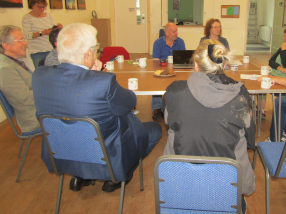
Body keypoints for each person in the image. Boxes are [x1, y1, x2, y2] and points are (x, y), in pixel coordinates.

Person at [32, 23, 162, 193]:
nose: (97, 54)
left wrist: (90, 72)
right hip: (106, 155)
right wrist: (97, 74)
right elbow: (130, 102)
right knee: (154, 129)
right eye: (96, 50)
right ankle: (117, 176)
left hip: (62, 152)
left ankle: (82, 175)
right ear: (88, 55)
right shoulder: (103, 81)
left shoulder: (39, 76)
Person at [162, 39, 256, 212]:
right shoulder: (241, 94)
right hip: (228, 186)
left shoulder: (175, 91)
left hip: (181, 183)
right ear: (224, 65)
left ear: (196, 65)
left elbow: (168, 121)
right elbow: (250, 139)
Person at [0, 25, 40, 135]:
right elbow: (25, 98)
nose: (25, 43)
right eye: (21, 40)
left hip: (38, 108)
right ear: (6, 46)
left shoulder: (12, 61)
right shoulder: (5, 69)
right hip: (33, 117)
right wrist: (48, 92)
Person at [152, 22, 185, 120]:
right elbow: (155, 61)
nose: (176, 33)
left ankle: (176, 106)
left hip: (176, 70)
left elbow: (183, 59)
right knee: (156, 83)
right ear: (166, 33)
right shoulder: (157, 43)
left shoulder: (180, 42)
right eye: (174, 31)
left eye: (177, 31)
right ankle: (157, 108)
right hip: (161, 70)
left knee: (180, 84)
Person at [22, 0, 63, 70]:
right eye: (39, 6)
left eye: (43, 7)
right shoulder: (27, 18)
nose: (42, 9)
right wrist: (42, 33)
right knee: (42, 74)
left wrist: (57, 28)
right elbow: (27, 35)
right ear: (32, 5)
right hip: (37, 52)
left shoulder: (48, 16)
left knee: (55, 72)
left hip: (51, 50)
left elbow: (53, 30)